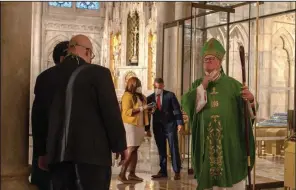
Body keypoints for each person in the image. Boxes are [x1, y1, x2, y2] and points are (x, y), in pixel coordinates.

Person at [45, 34, 128, 190]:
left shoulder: (47, 76)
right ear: (87, 52)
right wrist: (120, 145)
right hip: (92, 157)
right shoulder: (99, 73)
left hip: (56, 155)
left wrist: (42, 153)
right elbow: (110, 112)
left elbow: (40, 116)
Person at [181, 38, 256, 190]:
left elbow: (247, 115)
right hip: (206, 145)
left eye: (211, 59)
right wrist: (203, 85)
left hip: (229, 145)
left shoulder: (234, 85)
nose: (207, 62)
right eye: (205, 59)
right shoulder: (198, 84)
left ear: (220, 62)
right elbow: (187, 104)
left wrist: (251, 100)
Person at [31, 40, 69, 190]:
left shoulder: (44, 77)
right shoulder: (50, 78)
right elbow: (40, 116)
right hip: (54, 148)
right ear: (63, 58)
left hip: (48, 147)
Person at [146, 78, 184, 180]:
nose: (157, 89)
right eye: (155, 87)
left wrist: (179, 123)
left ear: (163, 86)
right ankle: (163, 171)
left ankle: (177, 171)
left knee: (173, 148)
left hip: (170, 126)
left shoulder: (170, 95)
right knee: (161, 149)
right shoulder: (150, 98)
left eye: (159, 87)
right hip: (158, 127)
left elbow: (176, 110)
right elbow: (147, 114)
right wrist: (147, 128)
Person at [118, 77, 150, 183]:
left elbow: (145, 110)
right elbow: (127, 112)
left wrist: (150, 109)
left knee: (135, 149)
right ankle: (122, 174)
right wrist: (142, 108)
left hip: (139, 125)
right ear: (132, 85)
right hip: (130, 125)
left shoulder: (140, 96)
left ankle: (132, 174)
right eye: (138, 85)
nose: (140, 87)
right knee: (130, 149)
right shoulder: (127, 96)